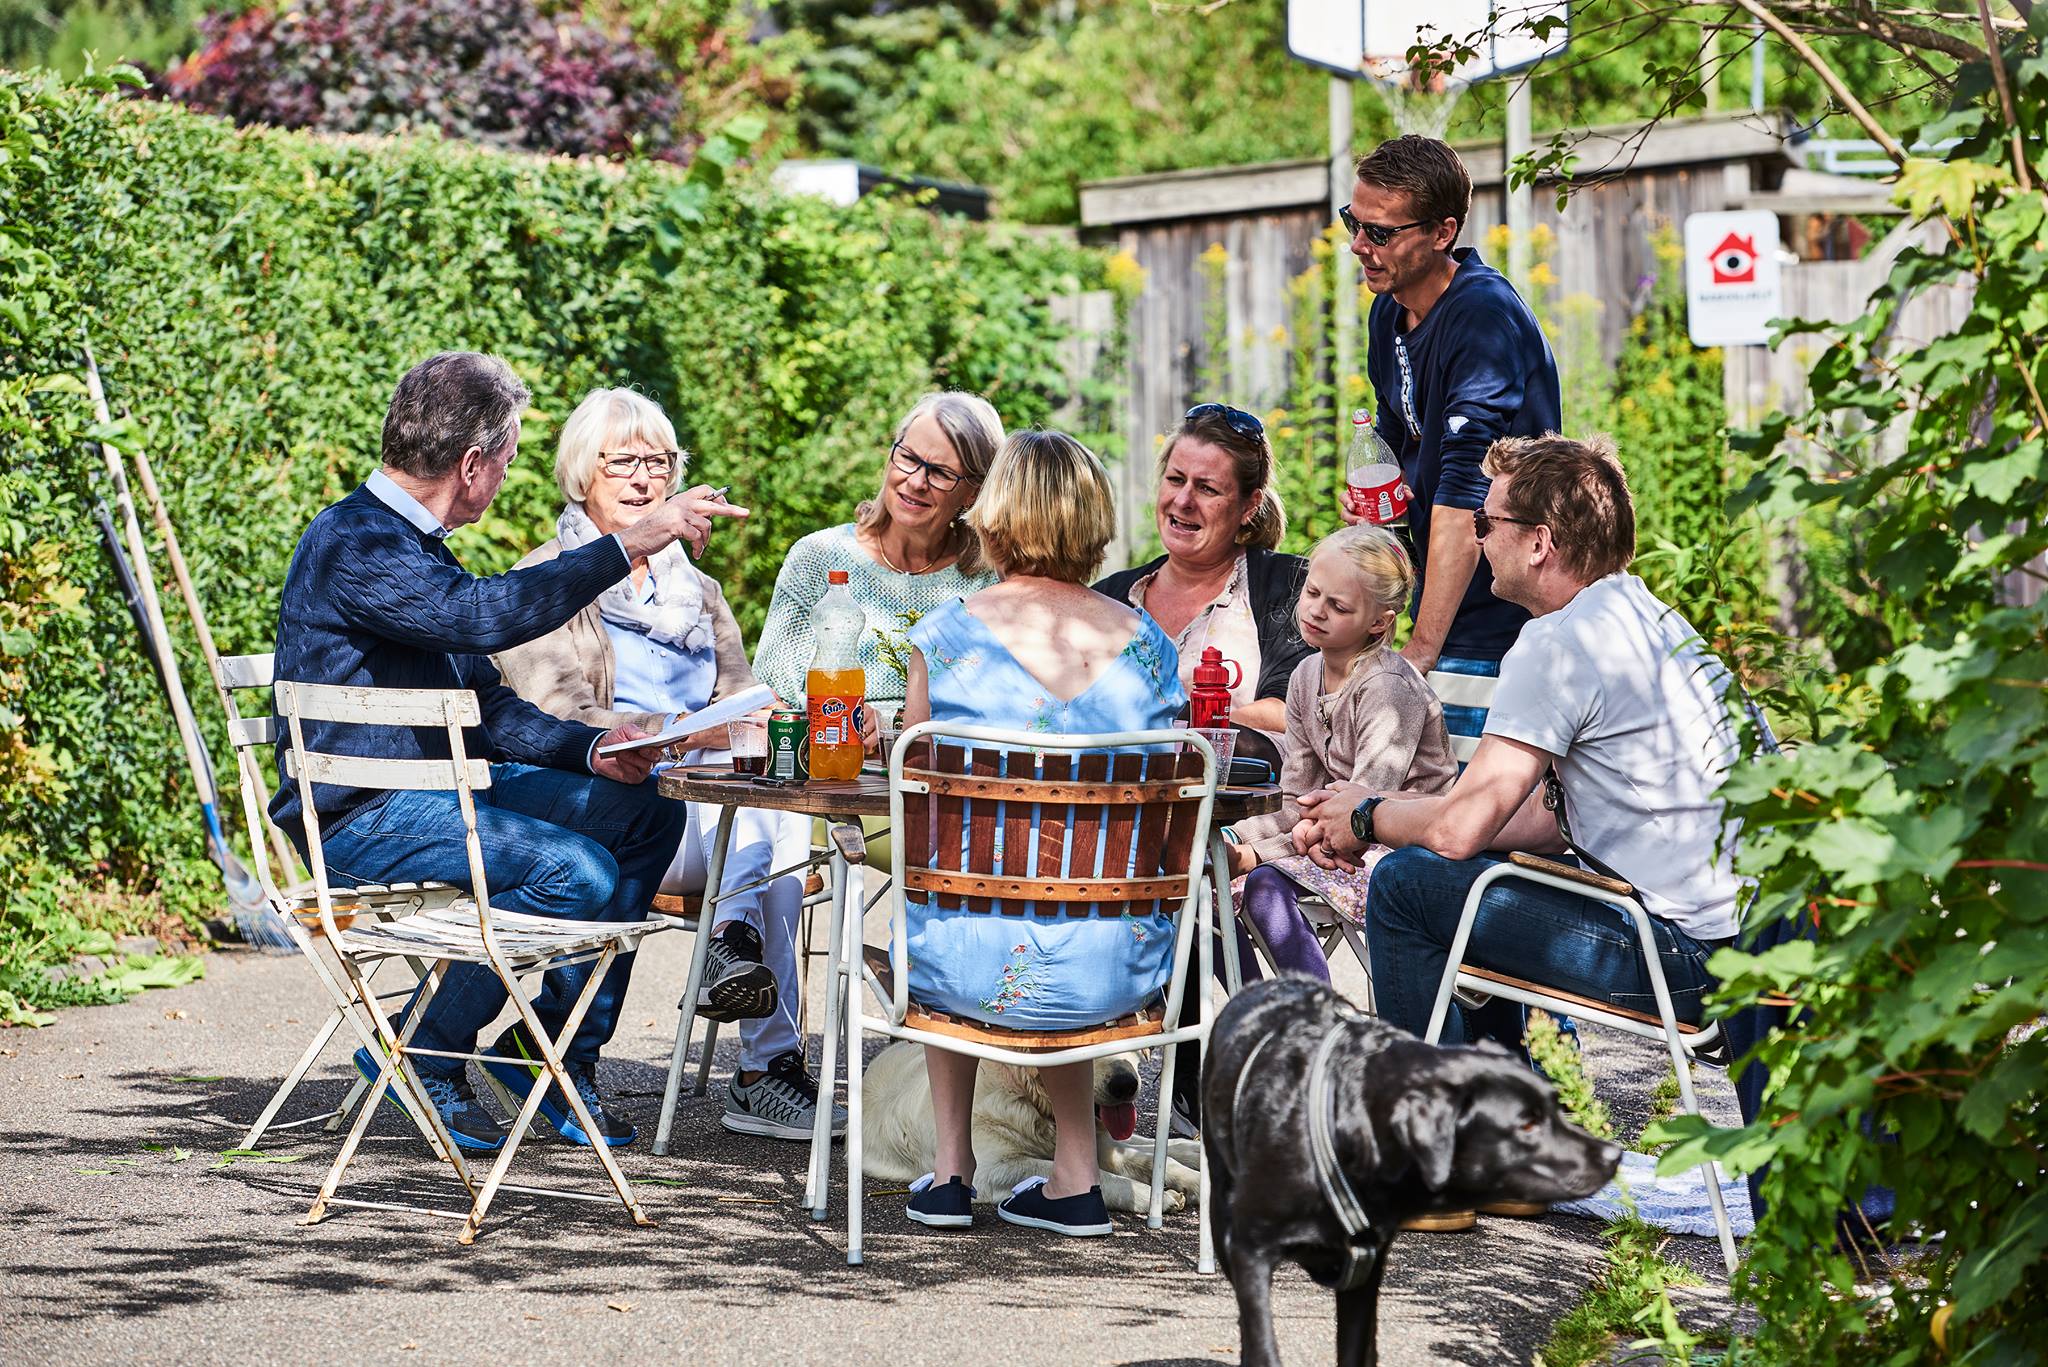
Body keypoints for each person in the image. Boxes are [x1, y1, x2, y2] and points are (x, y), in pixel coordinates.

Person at [270, 352, 745, 1150]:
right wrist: (631, 542)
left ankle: (547, 1050)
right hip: (358, 817)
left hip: (437, 793)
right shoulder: (354, 541)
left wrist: (595, 747)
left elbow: (486, 704)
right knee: (575, 871)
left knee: (640, 810)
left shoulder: (416, 546)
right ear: (471, 465)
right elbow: (482, 617)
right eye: (509, 461)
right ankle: (428, 1047)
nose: (507, 478)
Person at [1301, 433, 1741, 1051]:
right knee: (1464, 875)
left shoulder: (1559, 643)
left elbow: (1461, 829)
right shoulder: (1647, 618)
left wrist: (1369, 817)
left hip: (1684, 960)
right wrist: (1387, 816)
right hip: (1740, 950)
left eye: (1487, 521)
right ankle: (1510, 1120)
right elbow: (1541, 820)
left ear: (1539, 543)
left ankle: (1426, 1124)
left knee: (1405, 885)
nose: (1477, 537)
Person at [494, 387, 844, 1143]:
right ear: (583, 471)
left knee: (776, 818)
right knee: (769, 835)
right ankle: (764, 1066)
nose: (645, 478)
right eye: (624, 461)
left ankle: (735, 956)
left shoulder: (699, 589)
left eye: (660, 462)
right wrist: (676, 732)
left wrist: (756, 716)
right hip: (613, 803)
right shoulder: (549, 577)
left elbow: (738, 694)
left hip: (710, 810)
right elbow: (555, 719)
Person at [898, 429, 1186, 1238]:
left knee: (946, 897)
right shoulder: (1154, 651)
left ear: (996, 516)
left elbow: (915, 800)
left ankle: (952, 1173)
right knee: (1059, 913)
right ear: (1092, 522)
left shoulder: (945, 638)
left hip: (965, 961)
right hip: (1113, 967)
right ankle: (1076, 1178)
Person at [1339, 134, 1561, 743]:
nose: (1360, 246)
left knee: (1464, 820)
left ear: (1442, 233)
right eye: (1353, 224)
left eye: (1380, 233)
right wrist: (1374, 499)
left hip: (1502, 616)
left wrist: (1422, 650)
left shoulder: (1483, 317)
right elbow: (1395, 437)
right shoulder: (1387, 311)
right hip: (1442, 601)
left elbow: (1467, 496)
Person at [1221, 523, 1458, 979]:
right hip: (1326, 838)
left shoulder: (1388, 688)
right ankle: (1260, 1009)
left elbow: (1364, 816)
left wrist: (1257, 854)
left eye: (1338, 606)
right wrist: (1236, 839)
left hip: (1399, 849)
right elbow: (1296, 799)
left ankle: (1317, 1021)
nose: (1316, 611)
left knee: (1264, 883)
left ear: (1378, 622)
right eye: (1312, 593)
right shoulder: (1305, 677)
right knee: (1203, 879)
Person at [751, 392, 1005, 724]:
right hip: (826, 768)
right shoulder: (817, 558)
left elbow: (992, 711)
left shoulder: (987, 581)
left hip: (936, 770)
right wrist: (838, 719)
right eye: (909, 458)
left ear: (974, 491)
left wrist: (885, 725)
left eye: (940, 473)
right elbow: (767, 699)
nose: (915, 482)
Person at [1093, 402, 1311, 763]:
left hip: (1239, 813)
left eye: (1207, 489)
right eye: (1176, 479)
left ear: (1249, 506)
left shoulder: (1289, 586)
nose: (1183, 500)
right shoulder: (1113, 595)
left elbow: (1290, 711)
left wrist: (1169, 727)